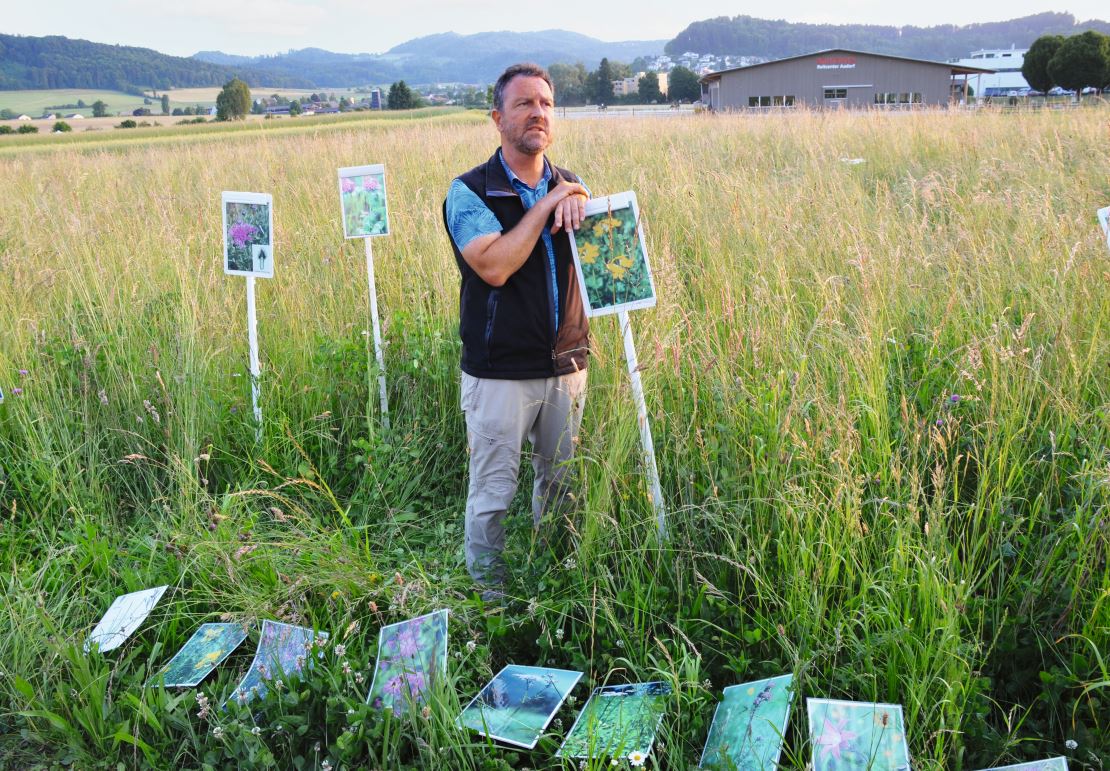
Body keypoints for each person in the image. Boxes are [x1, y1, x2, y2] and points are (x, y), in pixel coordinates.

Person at [442, 63, 591, 597]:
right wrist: (549, 203)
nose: (538, 113)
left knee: (560, 490)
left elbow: (600, 264)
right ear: (497, 117)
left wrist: (574, 199)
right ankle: (492, 605)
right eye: (525, 103)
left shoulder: (572, 185)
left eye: (546, 104)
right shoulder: (470, 193)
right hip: (500, 373)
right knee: (492, 495)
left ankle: (552, 593)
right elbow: (496, 266)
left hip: (566, 367)